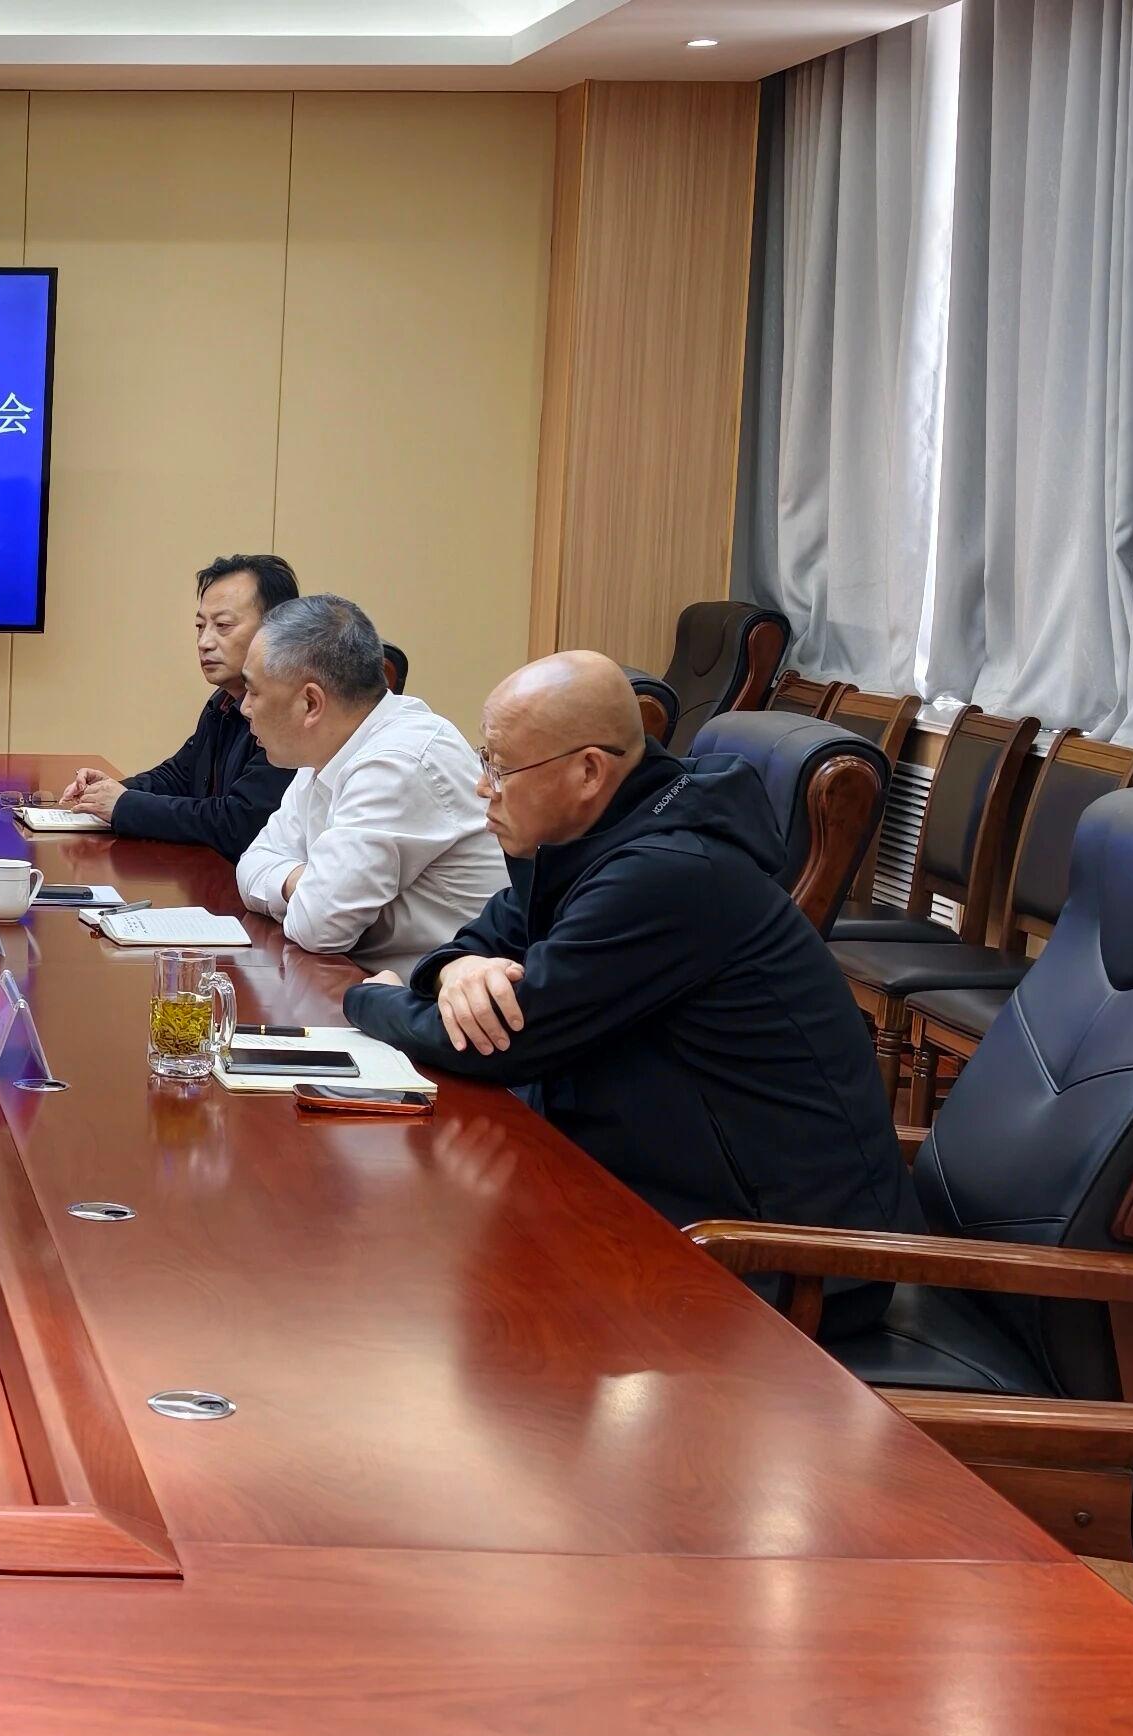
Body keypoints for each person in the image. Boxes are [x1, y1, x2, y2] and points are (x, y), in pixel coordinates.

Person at [341, 650, 914, 1318]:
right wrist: (453, 969)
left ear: (588, 771)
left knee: (433, 1288)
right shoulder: (589, 839)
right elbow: (481, 940)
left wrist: (370, 997)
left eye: (499, 767)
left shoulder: (668, 873)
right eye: (483, 758)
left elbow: (503, 1041)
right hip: (666, 1202)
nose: (481, 787)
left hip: (785, 1263)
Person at [227, 595, 503, 975]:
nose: (244, 707)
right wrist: (303, 881)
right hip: (365, 981)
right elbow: (251, 864)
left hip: (440, 996)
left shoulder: (399, 761)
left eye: (254, 691)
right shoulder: (327, 749)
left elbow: (318, 926)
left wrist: (302, 885)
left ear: (311, 704)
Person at [54, 554, 300, 860]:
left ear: (275, 630)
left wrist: (124, 805)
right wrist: (111, 791)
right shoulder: (223, 702)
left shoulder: (289, 712)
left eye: (223, 625)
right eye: (200, 626)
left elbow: (240, 822)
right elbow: (180, 776)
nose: (204, 642)